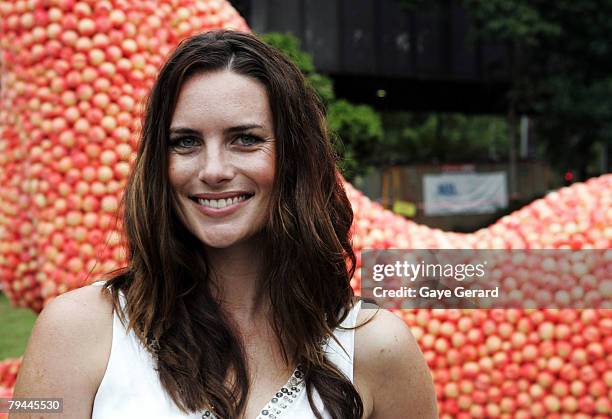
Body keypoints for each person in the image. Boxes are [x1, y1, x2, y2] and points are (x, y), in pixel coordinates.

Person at [12, 30, 438, 419]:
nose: (213, 170)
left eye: (245, 139)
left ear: (295, 158)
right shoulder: (72, 331)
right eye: (185, 142)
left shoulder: (376, 347)